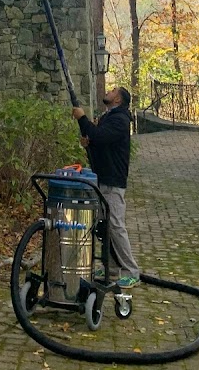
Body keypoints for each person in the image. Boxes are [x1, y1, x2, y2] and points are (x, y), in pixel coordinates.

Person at [73, 86, 140, 289]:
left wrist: (82, 118)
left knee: (116, 225)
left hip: (112, 180)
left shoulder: (120, 120)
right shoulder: (109, 117)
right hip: (102, 177)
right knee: (103, 224)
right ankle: (111, 267)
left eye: (112, 91)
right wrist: (89, 143)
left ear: (118, 99)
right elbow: (100, 140)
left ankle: (131, 271)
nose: (108, 92)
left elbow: (101, 136)